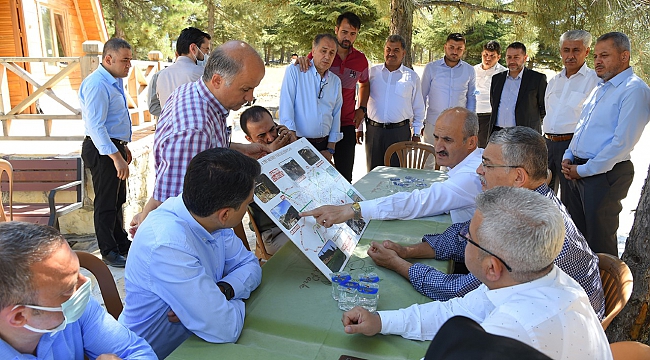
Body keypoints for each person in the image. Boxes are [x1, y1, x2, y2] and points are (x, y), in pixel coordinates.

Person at [341, 187, 612, 360]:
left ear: (491, 267)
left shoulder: (509, 332)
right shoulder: (533, 278)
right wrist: (381, 321)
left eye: (467, 236)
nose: (463, 238)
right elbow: (456, 311)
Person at [366, 127, 605, 318]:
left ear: (518, 176)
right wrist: (407, 251)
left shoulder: (528, 226)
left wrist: (398, 264)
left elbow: (457, 290)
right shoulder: (528, 202)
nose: (479, 170)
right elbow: (466, 234)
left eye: (488, 164)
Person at [120, 148, 263, 359]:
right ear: (225, 214)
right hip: (156, 353)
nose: (248, 209)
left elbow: (250, 265)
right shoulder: (167, 245)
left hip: (191, 345)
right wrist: (214, 307)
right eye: (247, 203)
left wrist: (223, 290)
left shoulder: (207, 216)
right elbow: (225, 328)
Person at [130, 40, 269, 233]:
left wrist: (241, 149)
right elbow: (175, 201)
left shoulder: (197, 92)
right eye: (245, 89)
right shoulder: (194, 129)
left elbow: (209, 146)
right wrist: (148, 216)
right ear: (217, 80)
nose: (250, 97)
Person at [0, 222, 156, 359]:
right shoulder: (64, 310)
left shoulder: (74, 310)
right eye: (68, 288)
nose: (85, 283)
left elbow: (137, 352)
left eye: (78, 272)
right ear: (20, 316)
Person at [302, 107, 482, 226]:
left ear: (471, 142)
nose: (439, 147)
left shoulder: (472, 175)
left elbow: (417, 202)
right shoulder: (473, 160)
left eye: (448, 140)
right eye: (436, 138)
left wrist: (353, 209)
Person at [562, 32, 650, 256]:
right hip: (578, 170)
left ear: (624, 56)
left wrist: (583, 170)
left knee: (600, 245)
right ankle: (582, 290)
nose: (598, 61)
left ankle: (606, 292)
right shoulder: (601, 87)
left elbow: (621, 144)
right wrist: (569, 155)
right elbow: (582, 127)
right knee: (577, 240)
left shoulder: (634, 90)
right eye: (596, 57)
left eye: (605, 55)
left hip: (603, 175)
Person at [295, 12, 370, 182]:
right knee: (313, 178)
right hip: (319, 127)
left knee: (345, 178)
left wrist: (362, 109)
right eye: (344, 32)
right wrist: (301, 60)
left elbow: (364, 83)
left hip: (345, 125)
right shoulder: (324, 54)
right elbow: (303, 72)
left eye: (353, 34)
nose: (348, 37)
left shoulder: (360, 60)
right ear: (336, 30)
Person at [80, 38, 133, 267]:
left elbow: (113, 122)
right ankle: (109, 251)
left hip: (113, 146)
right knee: (106, 203)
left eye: (130, 60)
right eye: (124, 60)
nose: (129, 65)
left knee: (118, 199)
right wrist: (116, 157)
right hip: (102, 150)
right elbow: (96, 127)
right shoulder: (97, 84)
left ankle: (121, 243)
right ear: (108, 59)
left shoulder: (114, 80)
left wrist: (123, 146)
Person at [545, 30, 600, 203]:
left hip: (572, 148)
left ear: (587, 51)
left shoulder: (594, 80)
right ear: (561, 51)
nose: (570, 55)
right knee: (542, 199)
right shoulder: (554, 81)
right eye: (566, 50)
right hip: (547, 145)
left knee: (571, 202)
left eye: (576, 50)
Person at [360, 34, 425, 171]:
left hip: (400, 133)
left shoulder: (412, 77)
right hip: (374, 132)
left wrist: (417, 133)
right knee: (373, 173)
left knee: (397, 174)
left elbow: (418, 107)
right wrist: (359, 128)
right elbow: (362, 100)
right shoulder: (372, 73)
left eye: (396, 50)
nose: (391, 53)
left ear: (403, 53)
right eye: (388, 49)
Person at [240, 105, 295, 254]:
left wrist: (296, 148)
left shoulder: (286, 144)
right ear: (249, 139)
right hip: (275, 232)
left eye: (272, 129)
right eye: (261, 136)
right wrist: (271, 157)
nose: (271, 138)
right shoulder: (245, 166)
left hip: (303, 218)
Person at [279, 33, 343, 160]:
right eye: (323, 51)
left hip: (323, 145)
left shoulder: (335, 81)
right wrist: (293, 143)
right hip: (297, 142)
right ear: (313, 51)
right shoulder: (296, 71)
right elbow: (287, 106)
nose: (327, 56)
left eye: (332, 53)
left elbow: (336, 114)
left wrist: (330, 149)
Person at [421, 33, 476, 148]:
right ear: (445, 47)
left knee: (453, 160)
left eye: (459, 48)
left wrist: (470, 123)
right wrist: (419, 122)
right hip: (433, 122)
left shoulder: (469, 70)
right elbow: (422, 95)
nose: (455, 51)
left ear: (464, 49)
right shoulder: (431, 68)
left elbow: (471, 97)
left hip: (458, 125)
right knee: (429, 159)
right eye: (451, 47)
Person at [489, 42, 547, 134]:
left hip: (525, 134)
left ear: (525, 58)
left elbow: (544, 108)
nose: (512, 61)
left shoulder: (537, 79)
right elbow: (494, 103)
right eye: (509, 57)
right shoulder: (497, 79)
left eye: (516, 57)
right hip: (498, 133)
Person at [156, 27, 211, 110]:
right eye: (206, 49)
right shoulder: (201, 74)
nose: (207, 54)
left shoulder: (162, 75)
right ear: (193, 48)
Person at [474, 41, 506, 148]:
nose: (488, 58)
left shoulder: (503, 73)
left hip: (489, 116)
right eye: (485, 55)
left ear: (498, 57)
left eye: (492, 56)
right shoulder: (473, 70)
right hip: (472, 114)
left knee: (483, 147)